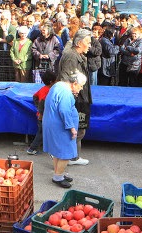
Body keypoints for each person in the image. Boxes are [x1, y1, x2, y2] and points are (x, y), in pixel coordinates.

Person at [43, 70, 87, 188]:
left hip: (52, 123)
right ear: (74, 83)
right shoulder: (66, 92)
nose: (81, 88)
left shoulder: (58, 85)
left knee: (57, 151)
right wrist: (72, 128)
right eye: (81, 86)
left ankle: (59, 174)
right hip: (60, 126)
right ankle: (58, 177)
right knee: (65, 153)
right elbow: (64, 111)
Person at [58, 29, 92, 166]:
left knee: (79, 129)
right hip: (76, 99)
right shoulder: (72, 57)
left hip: (80, 97)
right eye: (88, 42)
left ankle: (73, 156)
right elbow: (69, 81)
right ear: (79, 43)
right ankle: (69, 156)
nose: (90, 46)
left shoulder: (77, 55)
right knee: (76, 129)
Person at [27, 70, 57, 155]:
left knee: (43, 132)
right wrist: (41, 113)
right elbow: (42, 102)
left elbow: (35, 96)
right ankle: (32, 149)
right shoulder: (49, 90)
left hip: (43, 115)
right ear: (51, 82)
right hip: (44, 116)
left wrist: (38, 108)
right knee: (42, 133)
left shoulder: (43, 89)